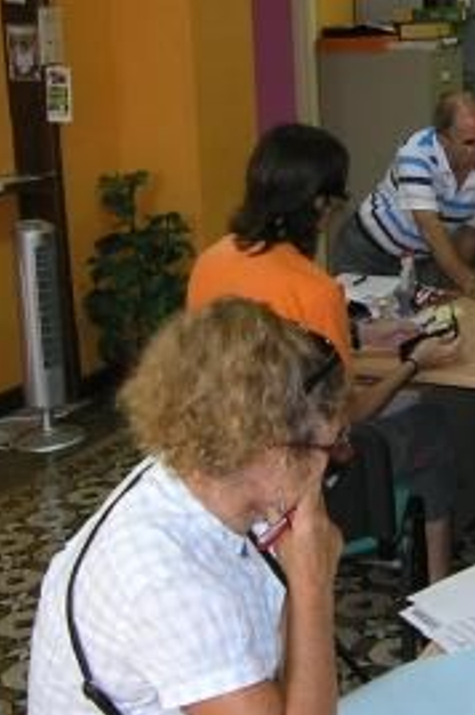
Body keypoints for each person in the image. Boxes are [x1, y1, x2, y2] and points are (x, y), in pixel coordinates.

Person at [27, 298, 346, 715]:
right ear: (272, 451)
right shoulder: (163, 578)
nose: (332, 462)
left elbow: (279, 674)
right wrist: (313, 585)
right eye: (329, 446)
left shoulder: (211, 480)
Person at [188, 123, 460, 583]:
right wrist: (415, 363)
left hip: (221, 458)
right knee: (432, 423)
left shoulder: (210, 262)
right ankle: (438, 587)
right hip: (292, 473)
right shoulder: (314, 290)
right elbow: (347, 414)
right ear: (318, 205)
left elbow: (265, 345)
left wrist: (356, 334)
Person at [331, 89, 475, 300]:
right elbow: (429, 228)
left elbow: (472, 233)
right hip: (369, 251)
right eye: (469, 143)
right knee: (357, 317)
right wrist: (472, 285)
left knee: (432, 315)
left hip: (421, 259)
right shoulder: (416, 153)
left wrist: (456, 285)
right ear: (443, 139)